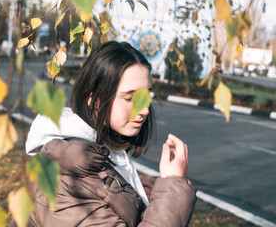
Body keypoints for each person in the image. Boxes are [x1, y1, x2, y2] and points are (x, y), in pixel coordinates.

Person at [24, 41, 197, 226]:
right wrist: (172, 187)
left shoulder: (95, 158)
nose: (145, 110)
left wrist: (133, 199)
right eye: (130, 98)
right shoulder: (64, 186)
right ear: (94, 99)